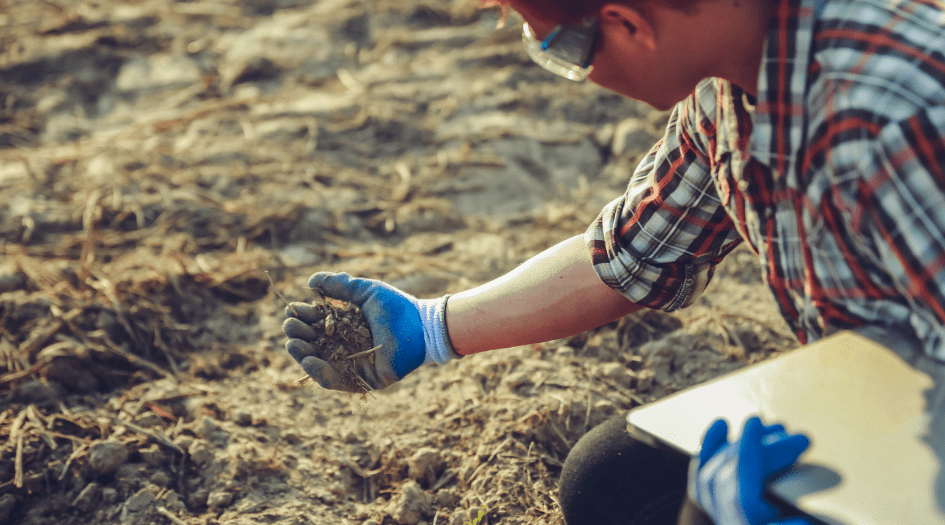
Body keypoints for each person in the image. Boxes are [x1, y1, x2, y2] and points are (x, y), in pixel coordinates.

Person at [282, 0, 945, 522]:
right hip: (886, 394)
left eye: (560, 48)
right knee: (613, 477)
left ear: (627, 23)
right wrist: (430, 327)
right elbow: (631, 254)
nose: (573, 72)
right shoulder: (729, 88)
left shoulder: (891, 117)